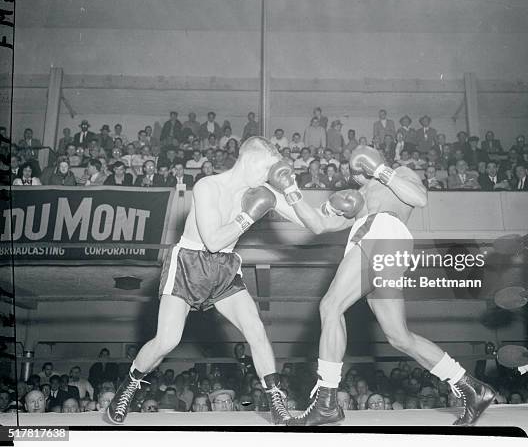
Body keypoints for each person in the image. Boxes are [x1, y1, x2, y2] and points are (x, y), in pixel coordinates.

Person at [282, 146, 495, 426]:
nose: (353, 172)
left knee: (330, 306)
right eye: (352, 169)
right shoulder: (354, 198)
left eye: (358, 167)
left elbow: (419, 198)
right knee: (399, 337)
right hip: (378, 246)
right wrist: (289, 191)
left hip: (381, 234)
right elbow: (317, 224)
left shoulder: (398, 174)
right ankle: (471, 387)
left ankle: (326, 401)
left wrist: (381, 170)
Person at [105, 137, 298, 425]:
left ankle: (276, 403)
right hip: (189, 263)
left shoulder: (262, 190)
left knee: (256, 328)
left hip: (224, 268)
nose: (269, 175)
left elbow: (308, 219)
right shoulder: (208, 186)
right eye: (267, 168)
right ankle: (129, 385)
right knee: (167, 340)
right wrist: (248, 216)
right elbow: (212, 241)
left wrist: (331, 209)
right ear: (250, 160)